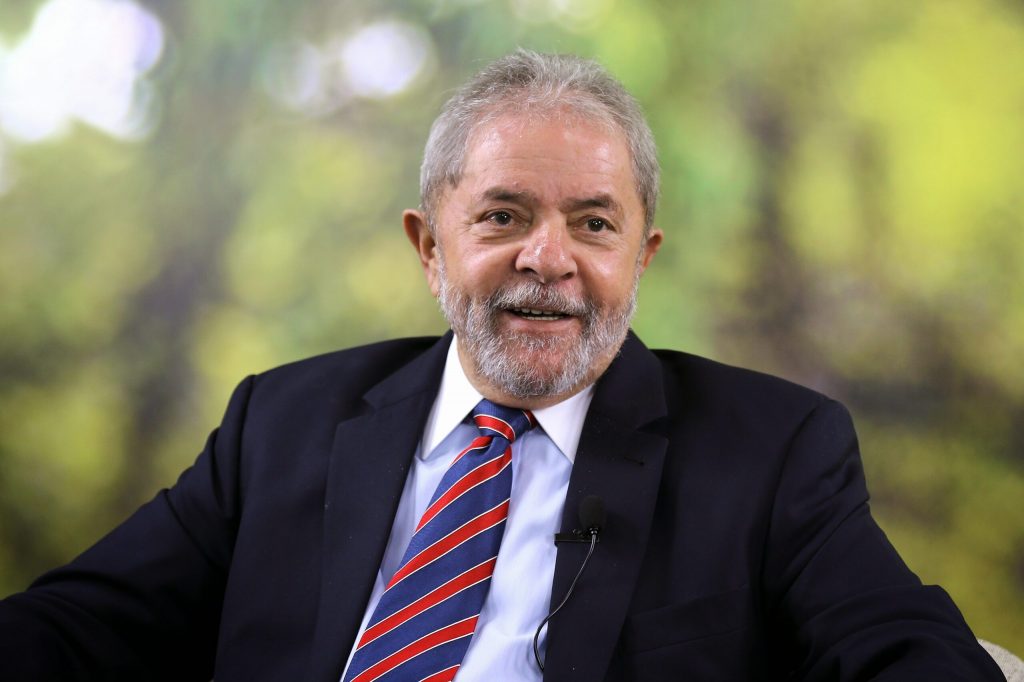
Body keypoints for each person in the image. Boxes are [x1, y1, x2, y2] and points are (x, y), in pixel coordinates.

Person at [0, 50, 1004, 682]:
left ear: (642, 258)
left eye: (594, 224)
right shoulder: (282, 421)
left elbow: (903, 647)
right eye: (503, 215)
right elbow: (79, 626)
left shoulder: (772, 450)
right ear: (429, 247)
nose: (547, 258)